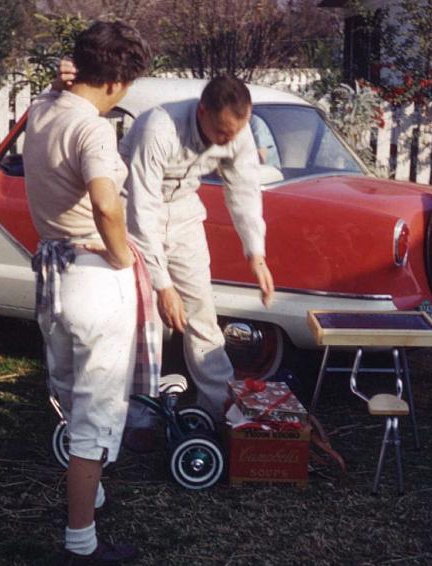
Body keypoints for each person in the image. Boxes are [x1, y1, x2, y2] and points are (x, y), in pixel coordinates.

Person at [24, 21, 150, 564]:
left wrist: (59, 82)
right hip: (93, 275)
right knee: (94, 419)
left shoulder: (43, 108)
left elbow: (55, 91)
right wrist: (122, 254)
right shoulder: (94, 130)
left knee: (71, 395)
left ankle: (89, 492)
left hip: (52, 275)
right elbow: (106, 203)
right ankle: (80, 543)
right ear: (117, 80)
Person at [121, 76, 275, 422]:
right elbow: (141, 213)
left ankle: (219, 407)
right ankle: (137, 416)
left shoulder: (236, 130)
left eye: (235, 133)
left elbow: (245, 190)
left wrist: (256, 254)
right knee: (144, 321)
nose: (228, 141)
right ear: (202, 111)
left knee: (201, 313)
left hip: (185, 210)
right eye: (221, 133)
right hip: (132, 206)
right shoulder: (158, 128)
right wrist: (163, 286)